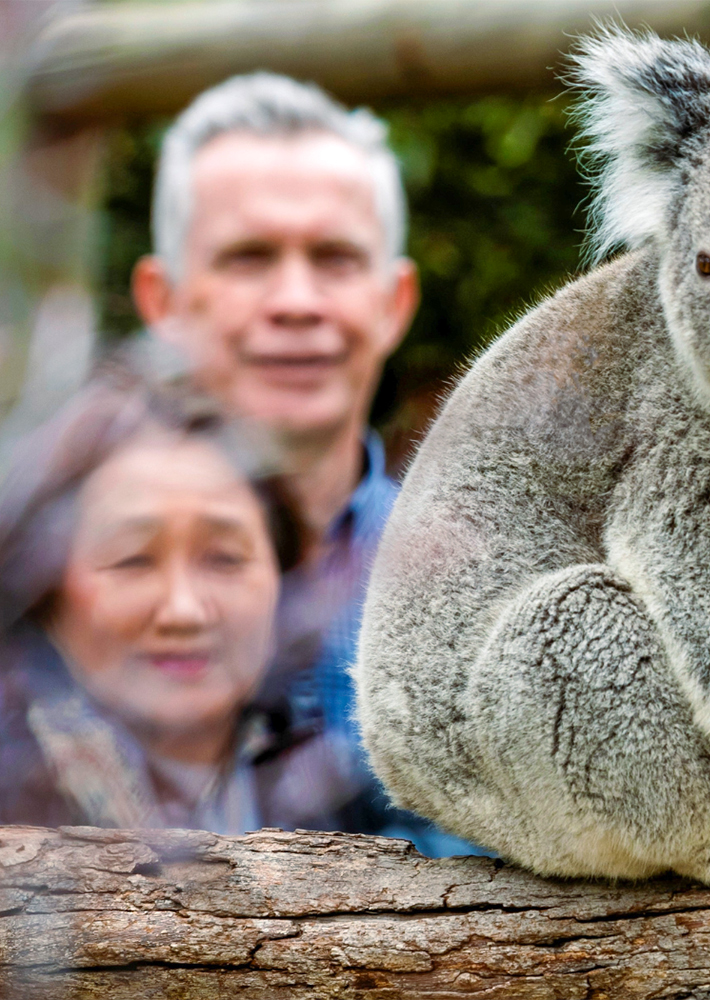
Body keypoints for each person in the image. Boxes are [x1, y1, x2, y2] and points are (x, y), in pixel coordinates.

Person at [126, 73, 476, 852]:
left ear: (395, 301)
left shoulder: (487, 580)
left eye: (335, 258)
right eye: (249, 257)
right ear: (163, 302)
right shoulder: (52, 591)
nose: (296, 300)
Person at [0, 372, 362, 832]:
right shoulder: (14, 795)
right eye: (133, 560)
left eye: (225, 559)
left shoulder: (350, 787)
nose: (184, 611)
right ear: (44, 588)